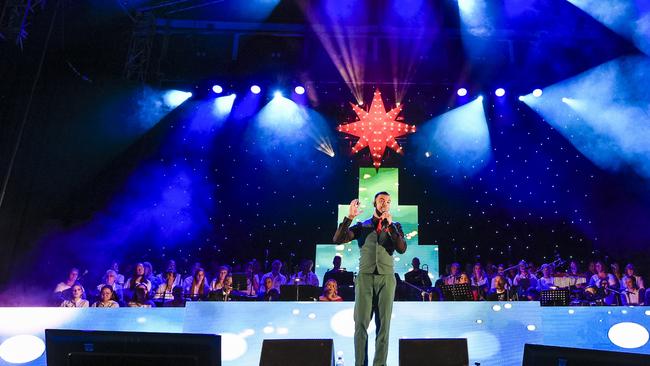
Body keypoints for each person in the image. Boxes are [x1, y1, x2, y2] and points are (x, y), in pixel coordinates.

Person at [333, 192, 406, 366]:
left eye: (388, 201)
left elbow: (402, 248)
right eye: (381, 200)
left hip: (386, 279)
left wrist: (391, 228)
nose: (385, 204)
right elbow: (337, 239)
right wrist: (349, 217)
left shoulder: (395, 226)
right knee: (360, 325)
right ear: (375, 202)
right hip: (365, 278)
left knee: (384, 327)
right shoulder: (362, 226)